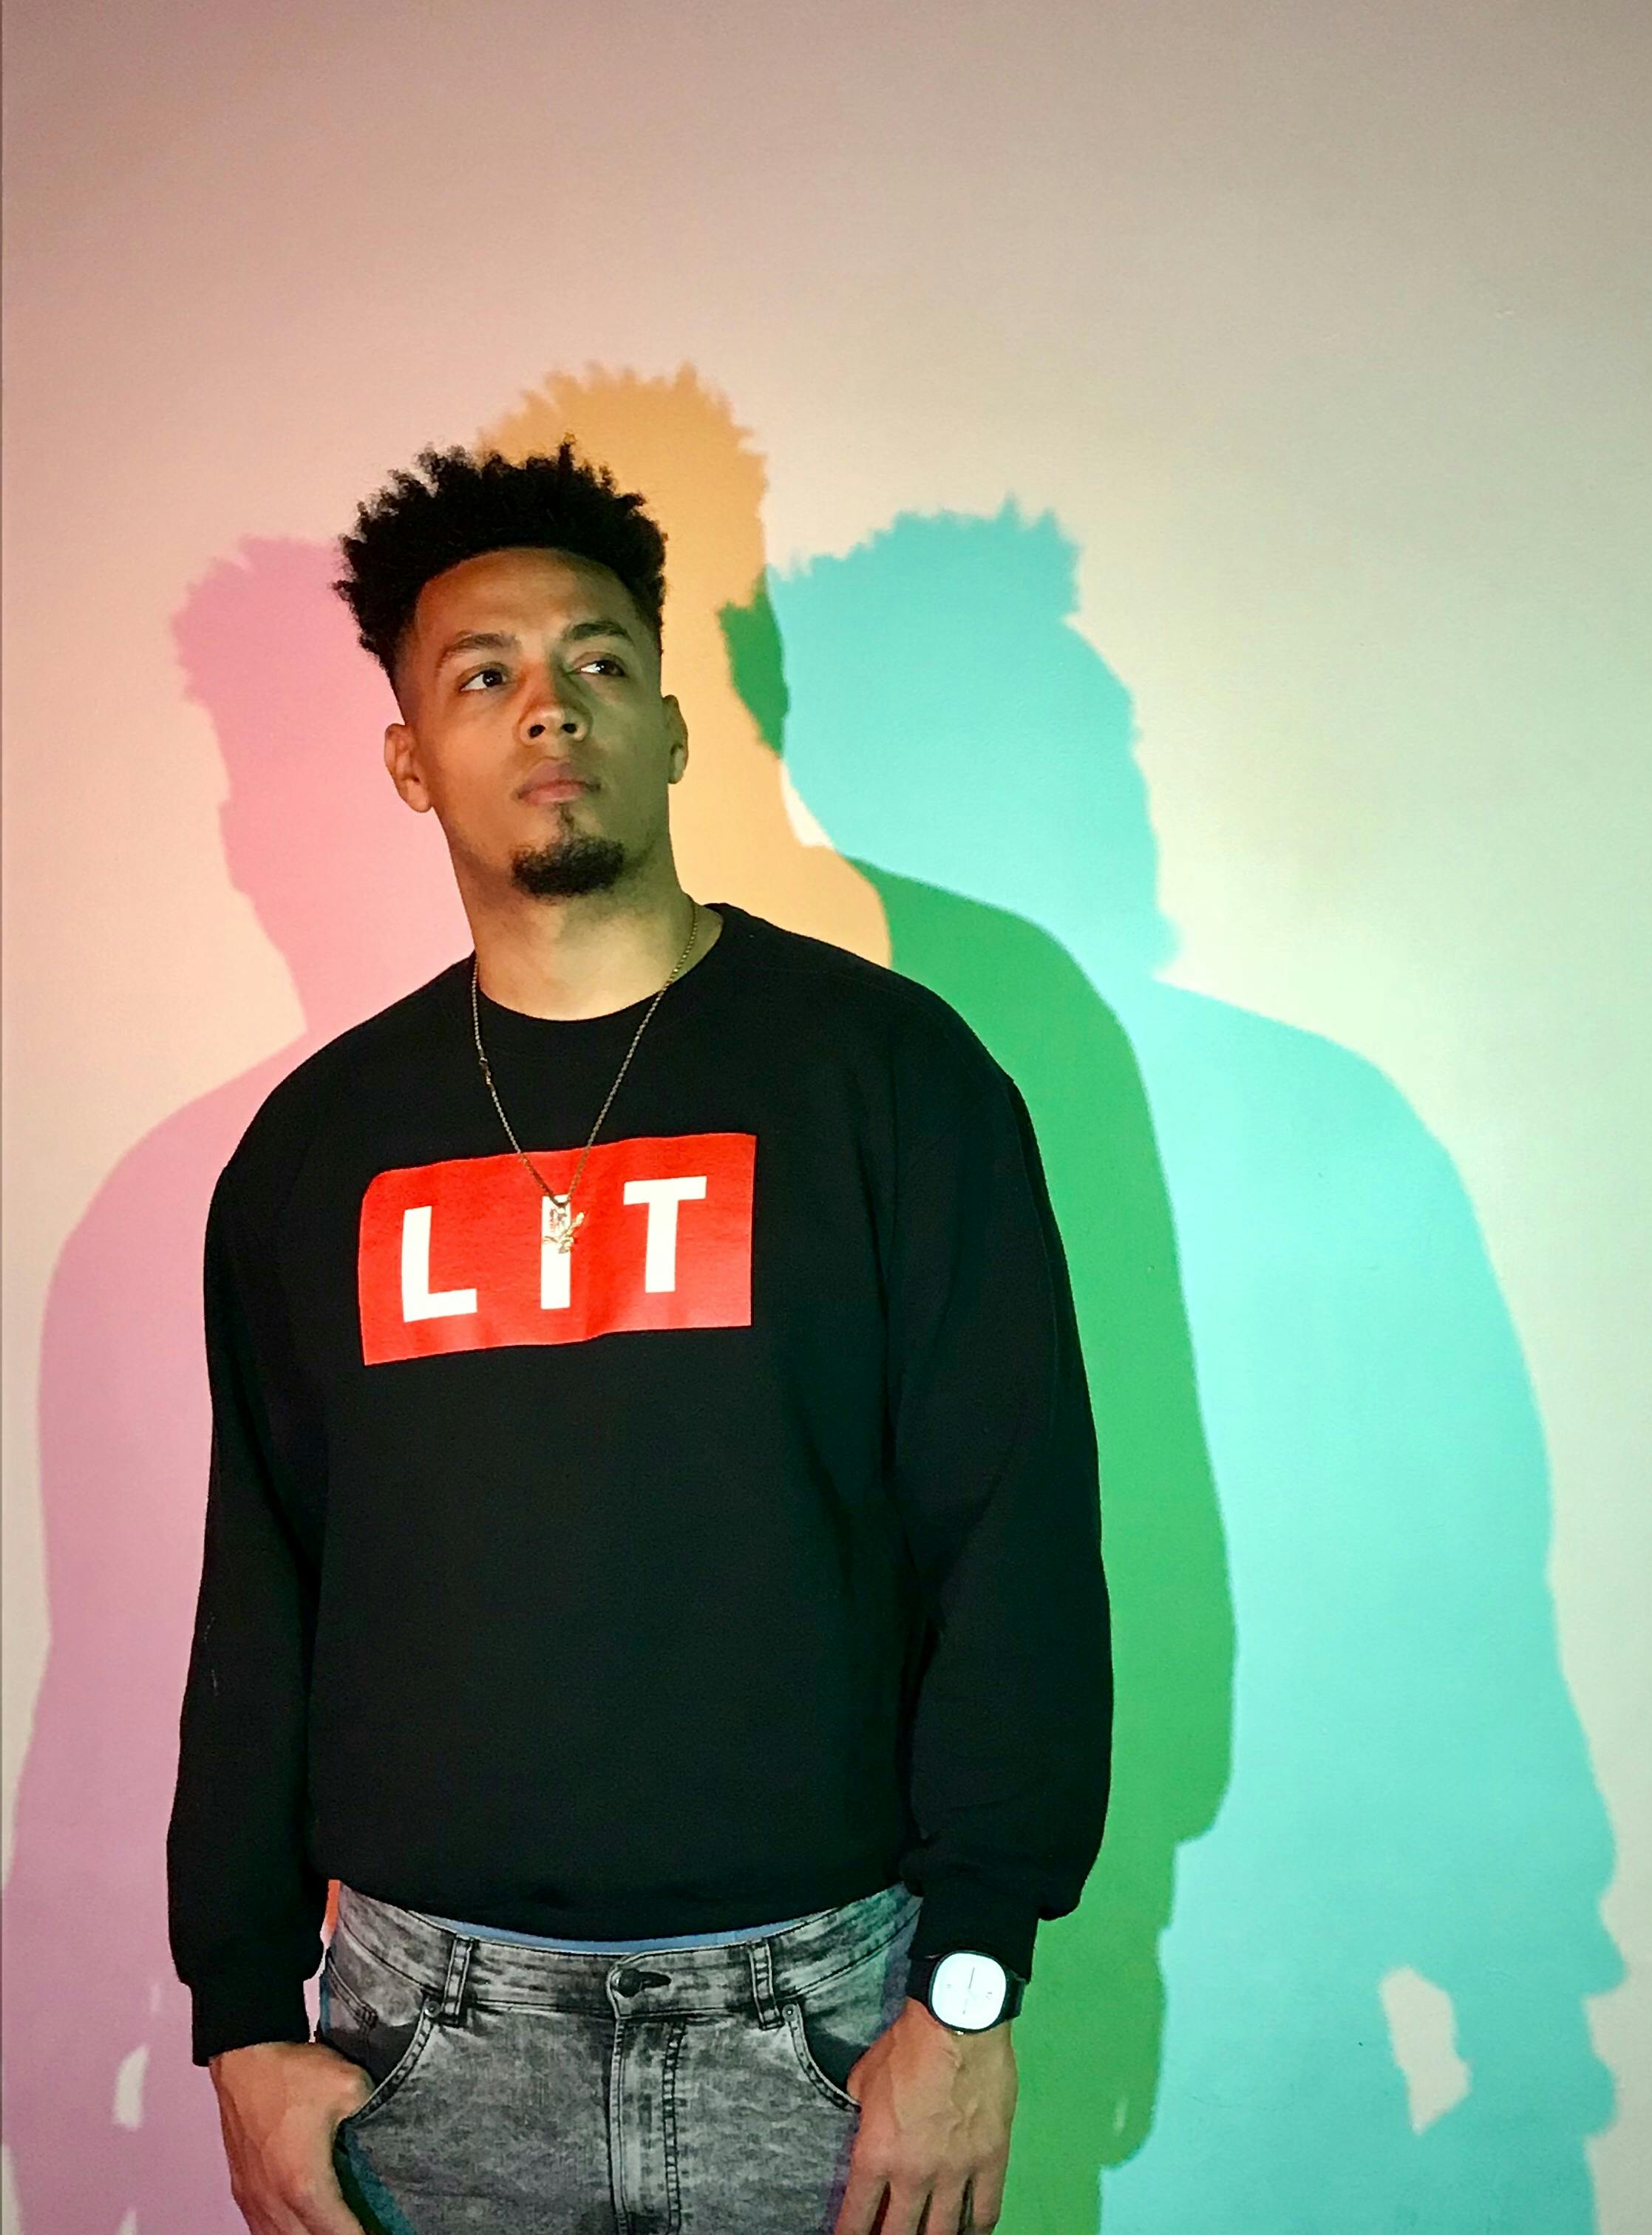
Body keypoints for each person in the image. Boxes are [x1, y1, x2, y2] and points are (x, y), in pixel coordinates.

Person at [164, 439, 1113, 2234]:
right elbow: (262, 1589)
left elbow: (1016, 1540)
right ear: (408, 757)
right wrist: (233, 2015)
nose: (548, 711)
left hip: (823, 2033)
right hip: (421, 2053)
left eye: (598, 663)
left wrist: (972, 1984)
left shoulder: (891, 1083)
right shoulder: (313, 1154)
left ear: (674, 729)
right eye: (484, 675)